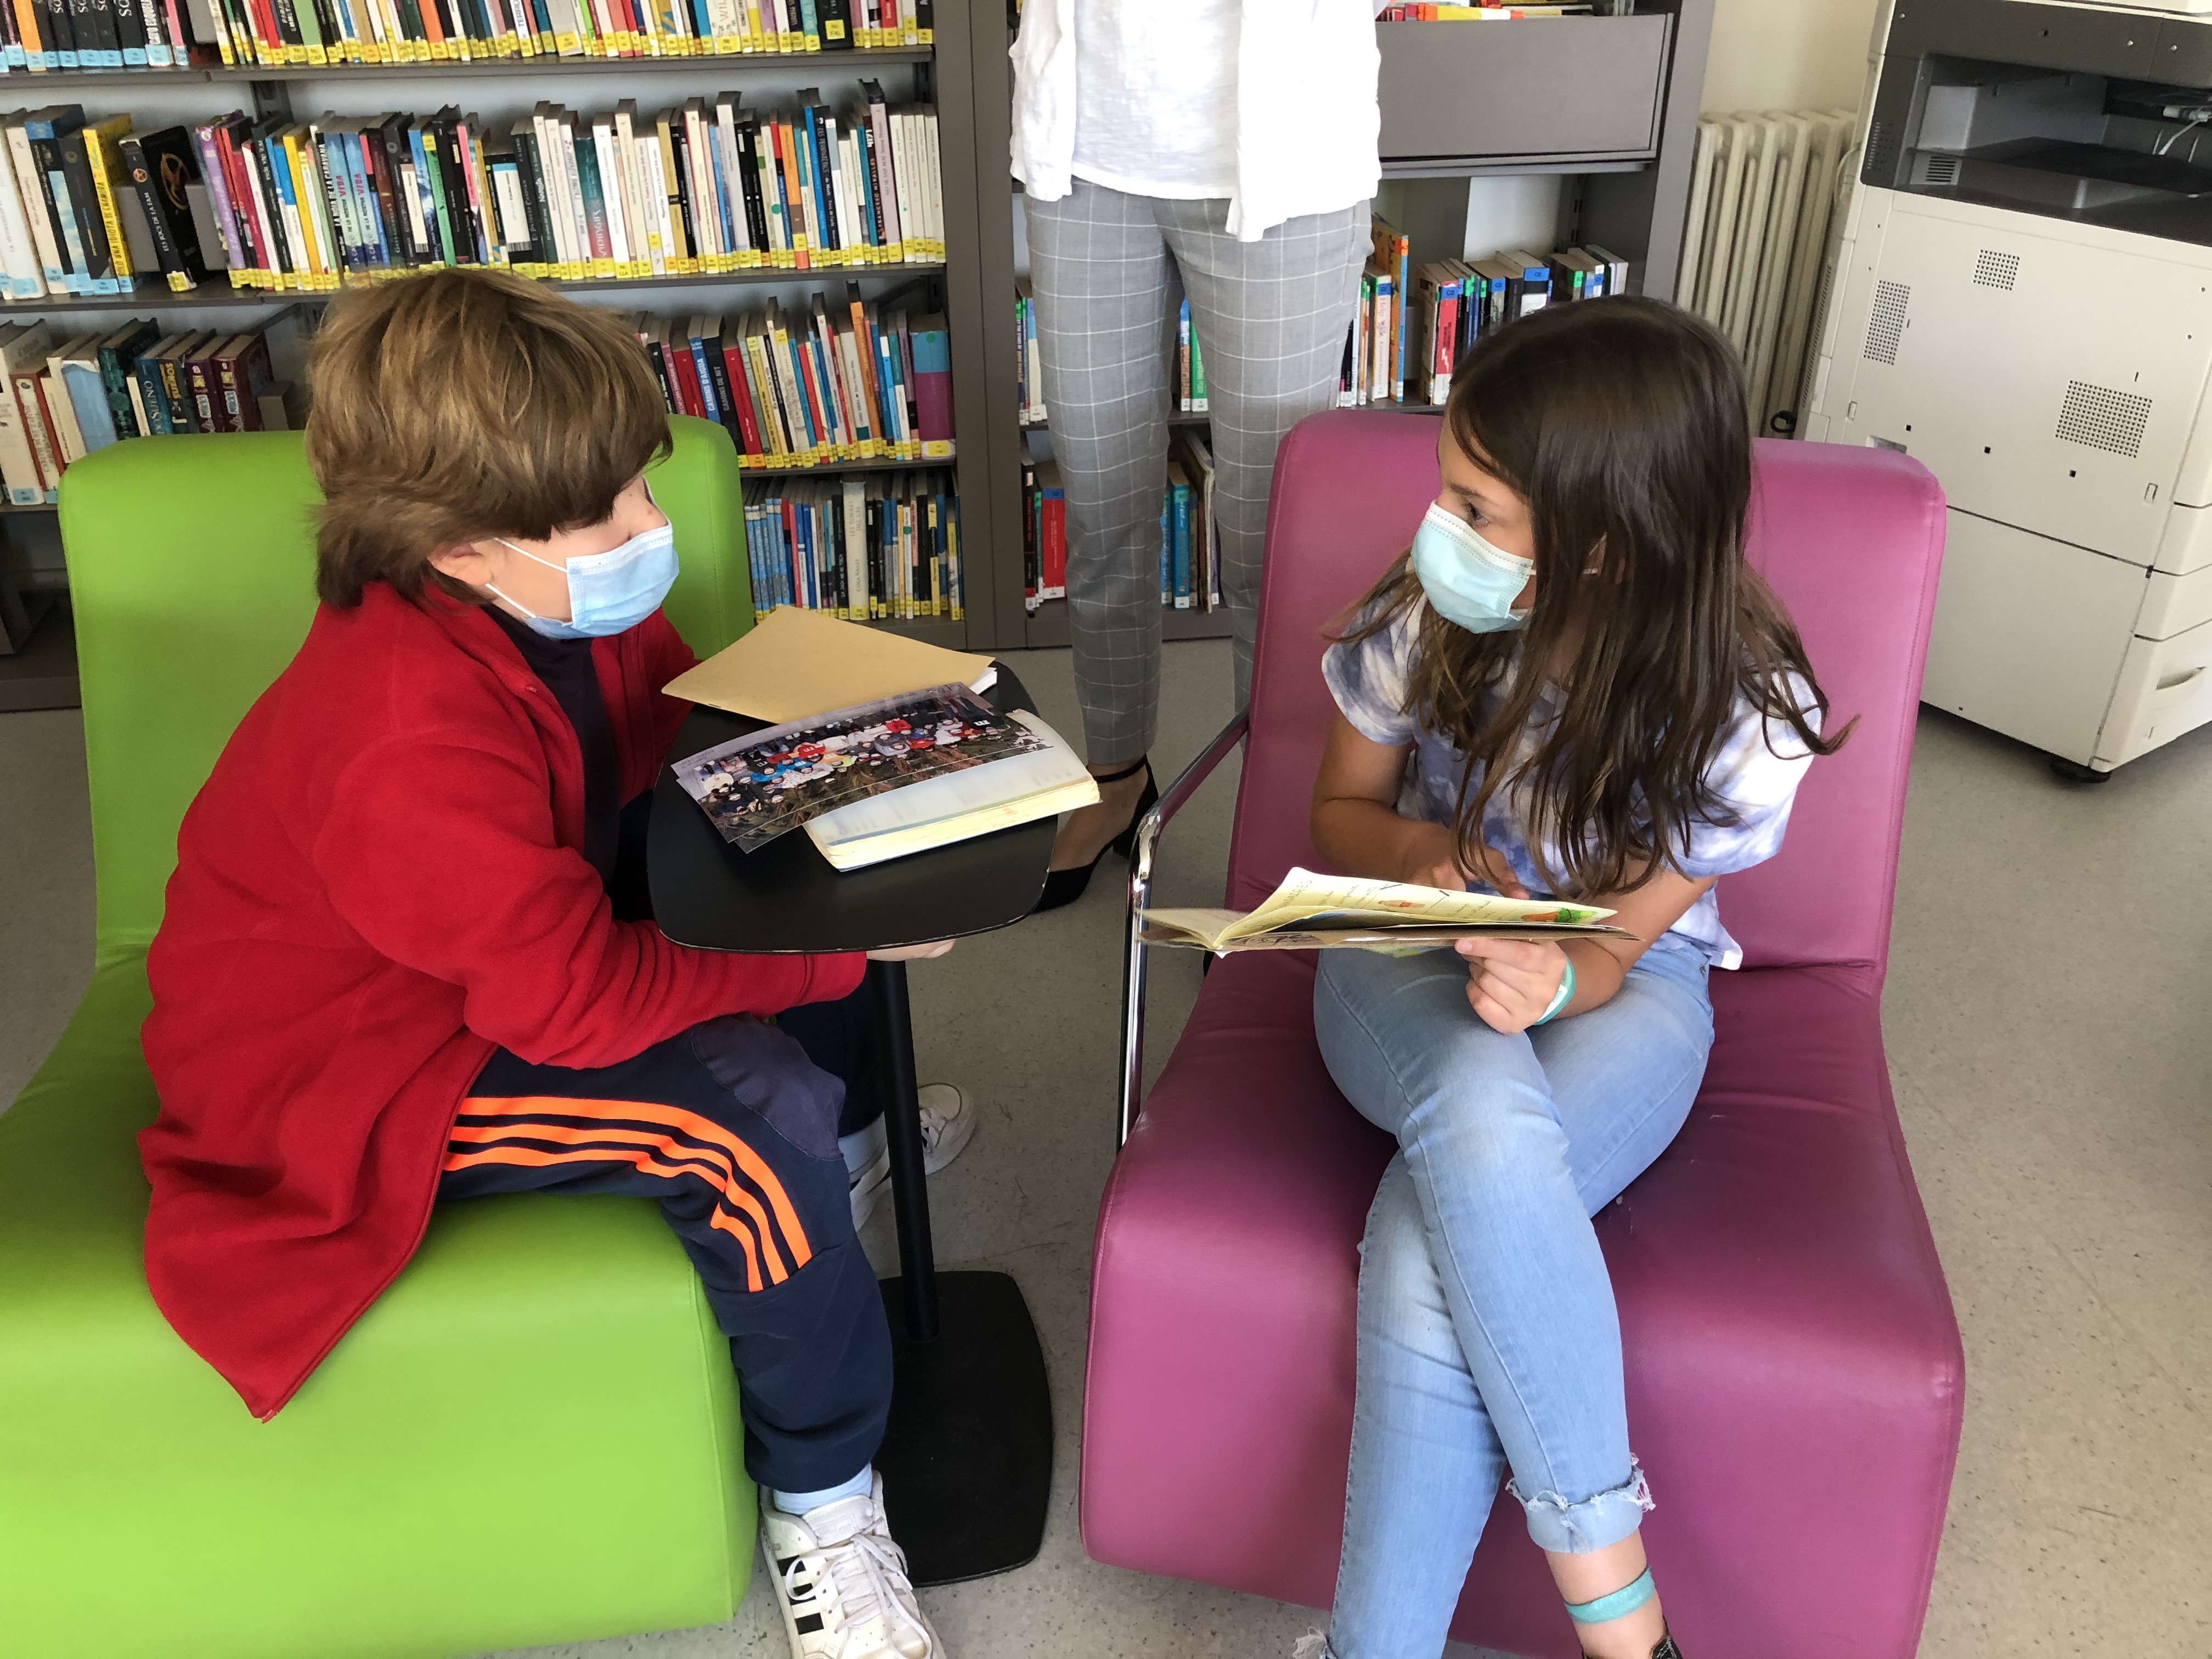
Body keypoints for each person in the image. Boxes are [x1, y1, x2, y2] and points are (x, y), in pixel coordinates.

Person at [137, 269, 963, 1659]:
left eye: (641, 482)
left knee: (783, 884)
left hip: (492, 951)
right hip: (362, 1074)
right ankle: (825, 1504)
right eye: (611, 508)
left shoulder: (549, 602)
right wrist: (824, 956)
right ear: (463, 548)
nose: (652, 525)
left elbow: (673, 732)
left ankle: (849, 1160)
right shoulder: (404, 738)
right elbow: (573, 1001)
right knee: (749, 1123)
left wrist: (849, 766)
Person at [1298, 298, 1847, 1659]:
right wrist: (1426, 859)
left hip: (1632, 982)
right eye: (1447, 488)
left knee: (1429, 1238)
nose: (1437, 527)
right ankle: (1630, 1630)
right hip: (1398, 949)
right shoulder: (1427, 613)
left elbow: (1620, 946)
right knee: (1478, 1111)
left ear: (1605, 541)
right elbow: (1340, 817)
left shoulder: (1745, 708)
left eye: (1475, 508)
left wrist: (1560, 979)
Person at [1011, 0, 1382, 907]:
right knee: (1102, 512)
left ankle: (1278, 836)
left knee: (1273, 549)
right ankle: (1115, 779)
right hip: (1088, 151)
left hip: (1284, 158)